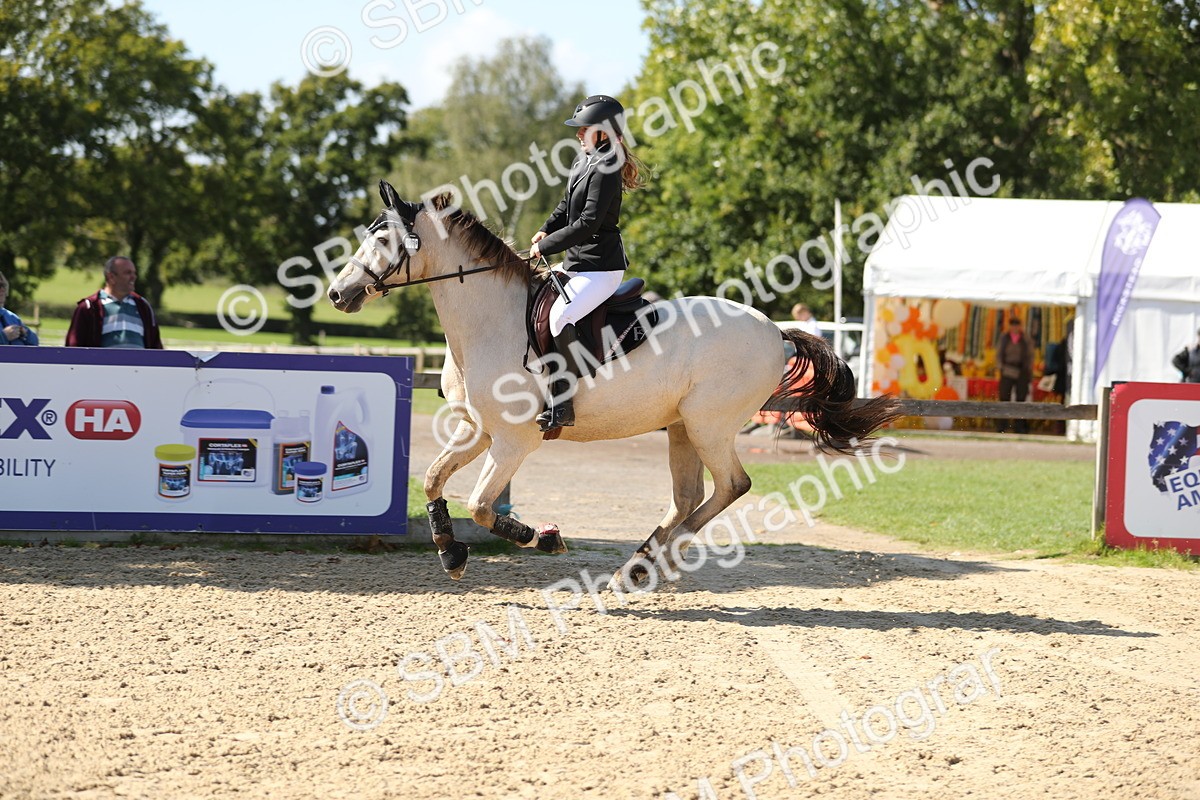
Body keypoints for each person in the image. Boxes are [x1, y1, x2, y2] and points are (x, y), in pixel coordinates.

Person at [528, 94, 645, 430]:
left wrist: (548, 245)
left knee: (560, 316)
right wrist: (544, 229)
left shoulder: (608, 165)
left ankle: (562, 403)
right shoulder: (584, 161)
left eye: (584, 129)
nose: (578, 134)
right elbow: (565, 208)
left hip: (601, 267)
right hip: (576, 263)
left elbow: (588, 223)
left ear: (604, 132)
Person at [65, 256, 163, 349]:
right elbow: (74, 347)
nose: (134, 277)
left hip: (141, 366)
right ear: (111, 277)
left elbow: (156, 346)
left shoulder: (143, 306)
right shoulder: (89, 307)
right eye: (128, 273)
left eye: (134, 273)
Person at [996, 316, 1034, 433]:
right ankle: (1002, 426)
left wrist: (1028, 371)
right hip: (1007, 369)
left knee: (1020, 399)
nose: (1014, 327)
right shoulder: (1005, 337)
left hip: (1021, 371)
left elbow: (1030, 355)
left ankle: (1019, 426)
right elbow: (999, 353)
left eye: (1016, 325)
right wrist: (1001, 367)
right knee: (1004, 398)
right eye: (1012, 325)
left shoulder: (1025, 338)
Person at [0, 272, 39, 346]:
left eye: (3, 285)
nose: (2, 290)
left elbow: (35, 343)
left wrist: (25, 333)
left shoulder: (12, 317)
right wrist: (3, 337)